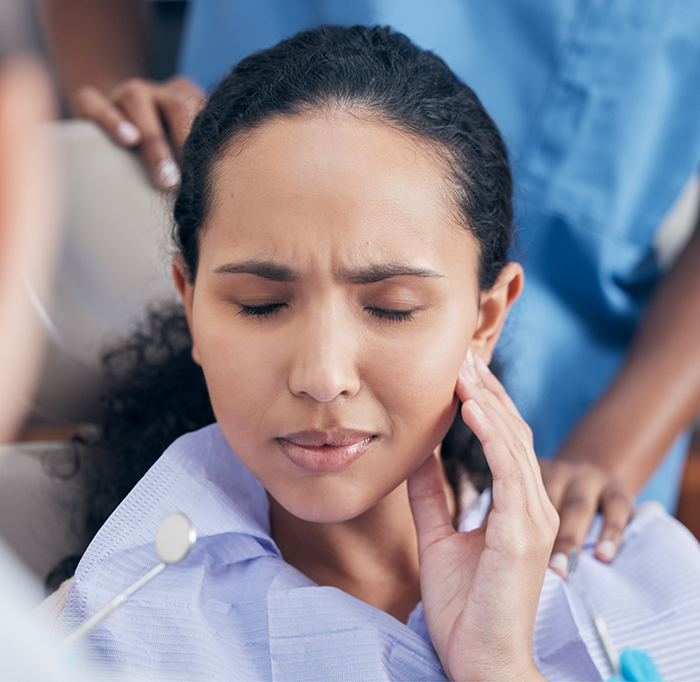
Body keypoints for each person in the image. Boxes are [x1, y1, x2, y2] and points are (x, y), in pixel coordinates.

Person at [49, 27, 700, 682]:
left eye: (391, 308)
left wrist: (499, 667)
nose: (323, 378)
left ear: (487, 318)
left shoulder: (652, 580)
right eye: (260, 304)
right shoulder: (105, 636)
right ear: (191, 304)